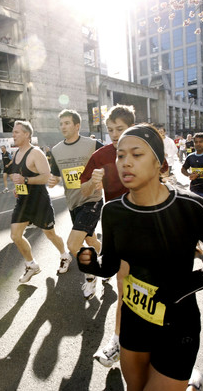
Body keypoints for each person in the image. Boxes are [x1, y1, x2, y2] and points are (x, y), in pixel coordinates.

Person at [77, 124, 203, 391]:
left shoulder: (190, 206)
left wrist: (184, 287)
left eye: (137, 154)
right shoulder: (113, 211)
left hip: (178, 324)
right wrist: (90, 263)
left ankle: (193, 385)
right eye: (120, 155)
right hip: (133, 318)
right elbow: (110, 264)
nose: (125, 162)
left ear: (159, 163)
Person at [80, 104, 134, 368]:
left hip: (150, 224)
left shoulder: (145, 148)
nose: (114, 134)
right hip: (118, 225)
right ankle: (117, 342)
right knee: (124, 285)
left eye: (120, 129)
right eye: (110, 129)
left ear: (131, 127)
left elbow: (165, 173)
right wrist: (95, 181)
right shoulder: (101, 155)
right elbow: (83, 185)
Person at [48, 109, 103, 300]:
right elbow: (55, 174)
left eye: (67, 123)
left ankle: (90, 277)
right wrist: (53, 180)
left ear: (77, 126)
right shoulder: (55, 150)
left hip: (93, 200)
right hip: (73, 203)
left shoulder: (93, 144)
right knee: (90, 240)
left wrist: (103, 176)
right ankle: (102, 253)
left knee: (73, 244)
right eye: (61, 123)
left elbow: (109, 161)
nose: (63, 126)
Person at [8, 120, 68, 283]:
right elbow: (20, 177)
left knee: (50, 234)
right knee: (15, 235)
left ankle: (64, 255)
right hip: (23, 202)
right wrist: (18, 187)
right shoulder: (16, 154)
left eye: (16, 132)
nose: (13, 135)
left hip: (39, 202)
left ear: (27, 134)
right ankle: (31, 265)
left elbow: (46, 177)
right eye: (13, 132)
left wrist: (25, 180)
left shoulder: (36, 153)